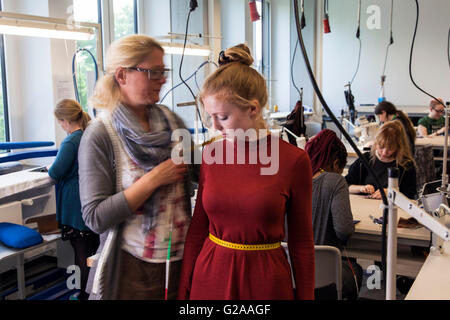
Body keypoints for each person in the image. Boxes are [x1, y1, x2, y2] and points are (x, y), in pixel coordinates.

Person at [178, 44, 315, 300]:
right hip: (210, 278)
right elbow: (198, 228)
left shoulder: (294, 161)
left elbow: (302, 243)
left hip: (265, 282)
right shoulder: (211, 156)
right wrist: (183, 290)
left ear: (252, 109)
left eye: (223, 117)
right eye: (210, 118)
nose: (215, 126)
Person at [78, 35, 195, 300]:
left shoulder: (171, 121)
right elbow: (95, 217)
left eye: (163, 71)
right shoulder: (101, 135)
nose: (163, 79)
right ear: (122, 75)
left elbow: (200, 173)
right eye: (153, 72)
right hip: (130, 271)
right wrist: (152, 180)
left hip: (180, 263)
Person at [48, 99, 99, 300]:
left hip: (75, 202)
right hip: (90, 196)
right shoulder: (89, 134)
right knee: (92, 251)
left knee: (81, 251)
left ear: (66, 120)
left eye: (60, 121)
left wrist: (50, 169)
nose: (60, 126)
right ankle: (94, 292)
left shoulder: (71, 140)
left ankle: (83, 296)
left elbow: (56, 171)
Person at [305, 129, 362, 300]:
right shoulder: (335, 180)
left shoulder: (292, 177)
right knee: (356, 270)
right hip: (323, 276)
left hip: (289, 273)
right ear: (336, 163)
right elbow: (344, 230)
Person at [346, 121, 417, 199]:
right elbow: (345, 185)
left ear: (398, 147)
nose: (384, 153)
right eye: (381, 147)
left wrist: (392, 194)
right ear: (376, 143)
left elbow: (411, 195)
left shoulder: (406, 165)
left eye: (390, 148)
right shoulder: (364, 160)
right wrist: (361, 188)